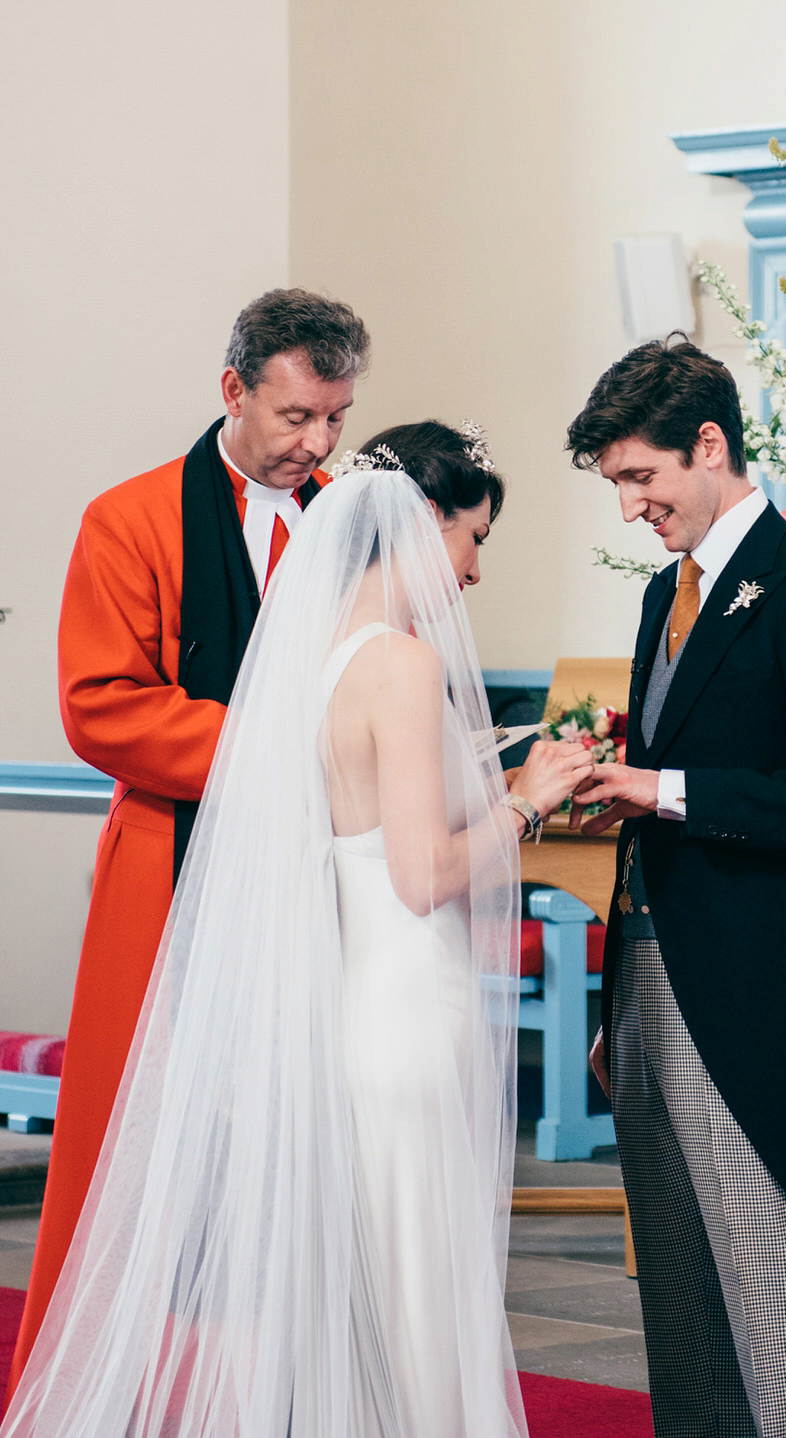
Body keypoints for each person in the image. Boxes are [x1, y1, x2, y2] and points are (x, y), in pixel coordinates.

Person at [1, 421, 593, 1437]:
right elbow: (422, 875)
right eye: (473, 537)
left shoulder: (312, 661)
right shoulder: (402, 667)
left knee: (365, 1309)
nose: (477, 569)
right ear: (418, 525)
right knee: (419, 1309)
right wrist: (529, 799)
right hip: (411, 1013)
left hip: (353, 1017)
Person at [8, 288, 371, 1400]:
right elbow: (101, 704)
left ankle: (283, 1386)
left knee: (311, 1142)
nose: (316, 444)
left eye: (336, 420)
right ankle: (111, 1386)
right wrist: (284, 744)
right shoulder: (130, 519)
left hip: (326, 881)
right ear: (233, 389)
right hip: (173, 867)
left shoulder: (350, 515)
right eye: (298, 416)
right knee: (142, 1139)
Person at [566, 336, 786, 1438]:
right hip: (650, 974)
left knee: (773, 1278)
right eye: (618, 484)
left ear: (710, 445)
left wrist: (662, 789)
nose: (631, 506)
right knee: (681, 1286)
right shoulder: (667, 592)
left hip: (755, 990)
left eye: (641, 478)